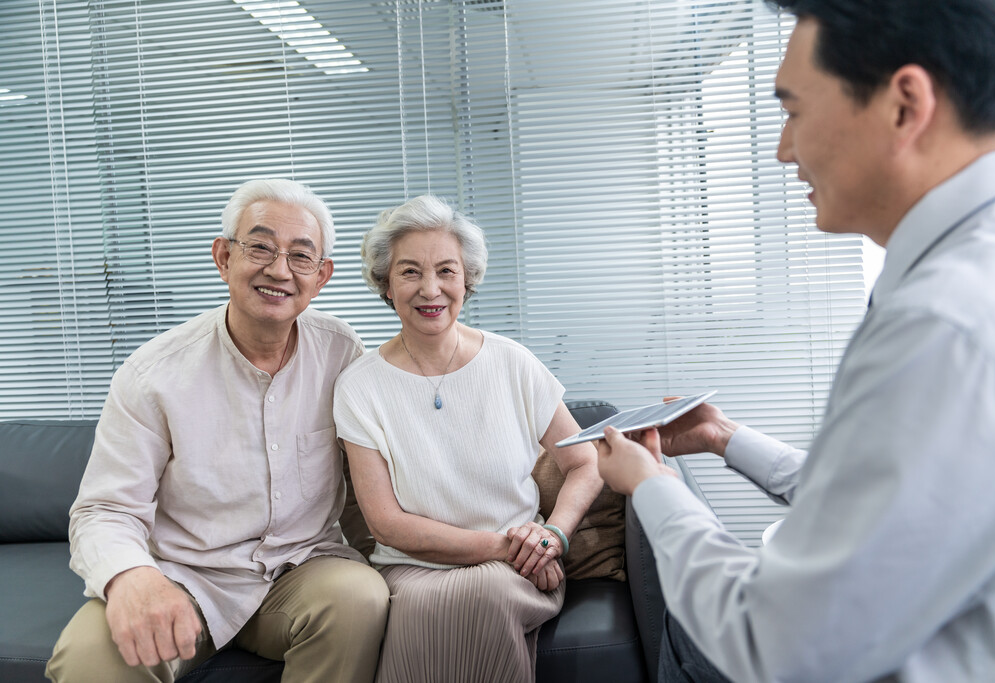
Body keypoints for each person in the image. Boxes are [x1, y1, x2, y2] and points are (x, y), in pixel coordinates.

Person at [596, 1, 995, 681]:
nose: (782, 148)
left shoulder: (942, 323)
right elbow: (886, 497)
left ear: (904, 104)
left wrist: (650, 486)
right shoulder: (988, 273)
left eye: (793, 111)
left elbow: (777, 644)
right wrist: (721, 435)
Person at [46, 179, 390, 683]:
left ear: (321, 277)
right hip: (184, 578)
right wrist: (131, 575)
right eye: (260, 247)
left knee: (360, 597)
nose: (278, 270)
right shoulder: (152, 373)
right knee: (88, 658)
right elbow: (106, 509)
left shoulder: (341, 351)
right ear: (223, 256)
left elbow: (363, 485)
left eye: (300, 256)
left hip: (302, 571)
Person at [334, 194, 604, 683]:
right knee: (430, 609)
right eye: (410, 272)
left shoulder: (512, 362)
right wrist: (508, 546)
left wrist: (553, 536)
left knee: (487, 596)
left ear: (467, 279)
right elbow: (387, 524)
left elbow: (585, 462)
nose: (430, 289)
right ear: (386, 284)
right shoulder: (359, 386)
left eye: (446, 271)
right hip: (415, 569)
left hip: (518, 570)